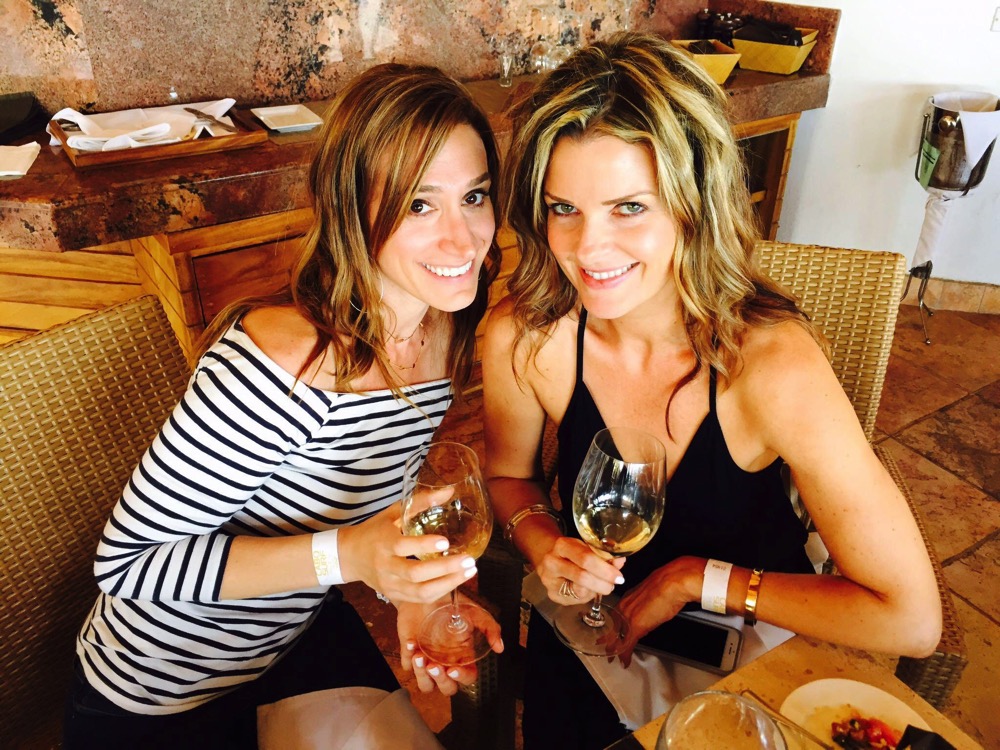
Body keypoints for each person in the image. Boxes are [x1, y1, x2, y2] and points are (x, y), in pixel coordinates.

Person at [482, 33, 942, 749]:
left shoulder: (773, 366)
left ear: (693, 203)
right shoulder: (527, 335)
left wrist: (696, 578)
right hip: (593, 641)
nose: (587, 249)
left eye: (628, 207)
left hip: (748, 650)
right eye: (563, 207)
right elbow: (507, 476)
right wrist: (543, 542)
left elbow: (909, 618)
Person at [64, 63, 503, 749]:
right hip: (160, 693)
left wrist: (412, 596)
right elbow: (127, 565)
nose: (463, 239)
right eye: (419, 205)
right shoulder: (282, 367)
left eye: (473, 196)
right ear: (349, 211)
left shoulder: (443, 331)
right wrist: (349, 557)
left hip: (291, 641)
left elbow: (376, 508)